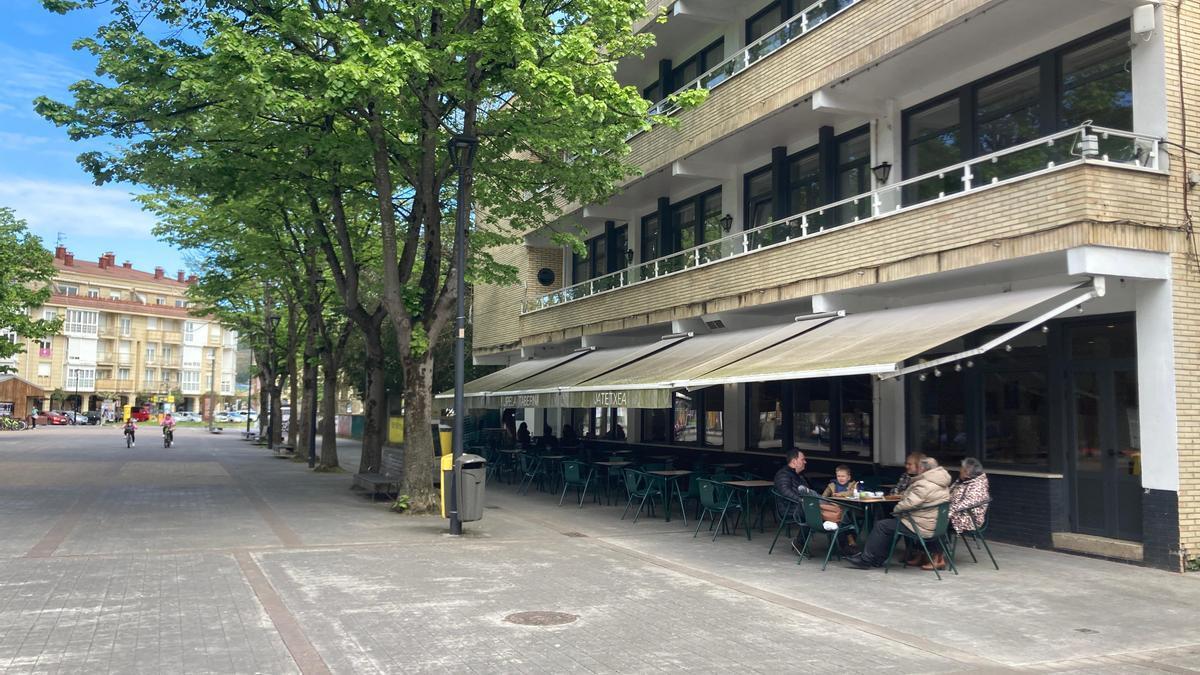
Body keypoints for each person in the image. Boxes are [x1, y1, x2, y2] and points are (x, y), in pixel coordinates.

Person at [845, 456, 951, 569]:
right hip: (935, 525)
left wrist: (896, 510)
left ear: (924, 469)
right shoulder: (942, 483)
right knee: (890, 525)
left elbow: (909, 503)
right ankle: (877, 560)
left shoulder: (924, 485)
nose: (918, 470)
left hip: (920, 525)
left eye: (920, 468)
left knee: (882, 525)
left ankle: (866, 560)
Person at [774, 449, 822, 554]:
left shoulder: (799, 476)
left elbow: (809, 492)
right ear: (794, 461)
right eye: (803, 459)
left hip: (799, 506)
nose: (805, 462)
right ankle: (799, 543)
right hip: (788, 508)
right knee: (812, 511)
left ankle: (845, 544)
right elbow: (785, 492)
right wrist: (803, 501)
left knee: (835, 510)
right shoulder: (783, 474)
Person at [950, 457, 990, 536]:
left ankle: (936, 545)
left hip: (967, 519)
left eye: (961, 468)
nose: (959, 470)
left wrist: (945, 512)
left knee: (935, 519)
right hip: (957, 513)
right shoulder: (964, 481)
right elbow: (950, 493)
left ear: (966, 471)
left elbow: (965, 504)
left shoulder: (977, 486)